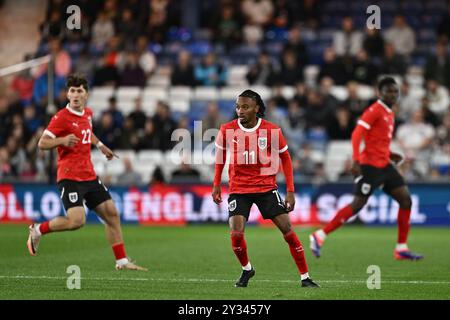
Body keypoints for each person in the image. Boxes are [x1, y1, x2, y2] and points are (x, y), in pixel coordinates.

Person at [27, 74, 147, 271]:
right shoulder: (61, 118)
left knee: (112, 214)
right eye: (72, 91)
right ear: (67, 94)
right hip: (69, 176)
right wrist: (62, 141)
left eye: (79, 91)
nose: (75, 95)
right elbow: (42, 143)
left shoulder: (88, 113)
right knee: (77, 221)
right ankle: (38, 229)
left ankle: (122, 261)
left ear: (86, 95)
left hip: (89, 175)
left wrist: (100, 145)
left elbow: (86, 132)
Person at [212, 90, 319, 288]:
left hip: (266, 188)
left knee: (287, 229)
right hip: (239, 188)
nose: (240, 111)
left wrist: (290, 190)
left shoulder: (272, 131)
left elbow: (286, 158)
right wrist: (216, 184)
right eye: (238, 107)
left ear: (257, 108)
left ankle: (305, 277)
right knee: (236, 233)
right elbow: (220, 158)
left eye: (245, 107)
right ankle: (247, 269)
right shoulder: (227, 129)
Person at [309, 77, 424, 261]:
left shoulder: (389, 112)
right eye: (389, 91)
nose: (393, 94)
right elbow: (357, 134)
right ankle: (320, 235)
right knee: (357, 205)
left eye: (395, 91)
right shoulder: (374, 110)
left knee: (406, 200)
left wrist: (390, 153)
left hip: (385, 165)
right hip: (370, 166)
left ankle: (401, 248)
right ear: (380, 93)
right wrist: (356, 160)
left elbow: (377, 140)